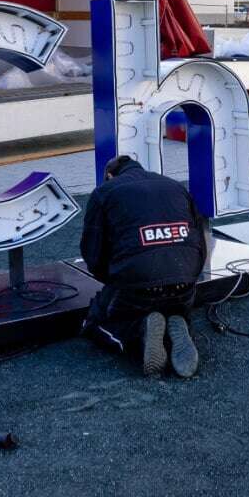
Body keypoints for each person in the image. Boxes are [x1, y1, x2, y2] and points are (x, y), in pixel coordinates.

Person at [80, 155, 208, 377]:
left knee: (94, 324)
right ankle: (176, 323)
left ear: (109, 175)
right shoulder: (175, 186)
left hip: (138, 288)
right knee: (171, 306)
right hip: (184, 284)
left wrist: (114, 279)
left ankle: (139, 330)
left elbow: (92, 253)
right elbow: (200, 243)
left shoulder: (104, 192)